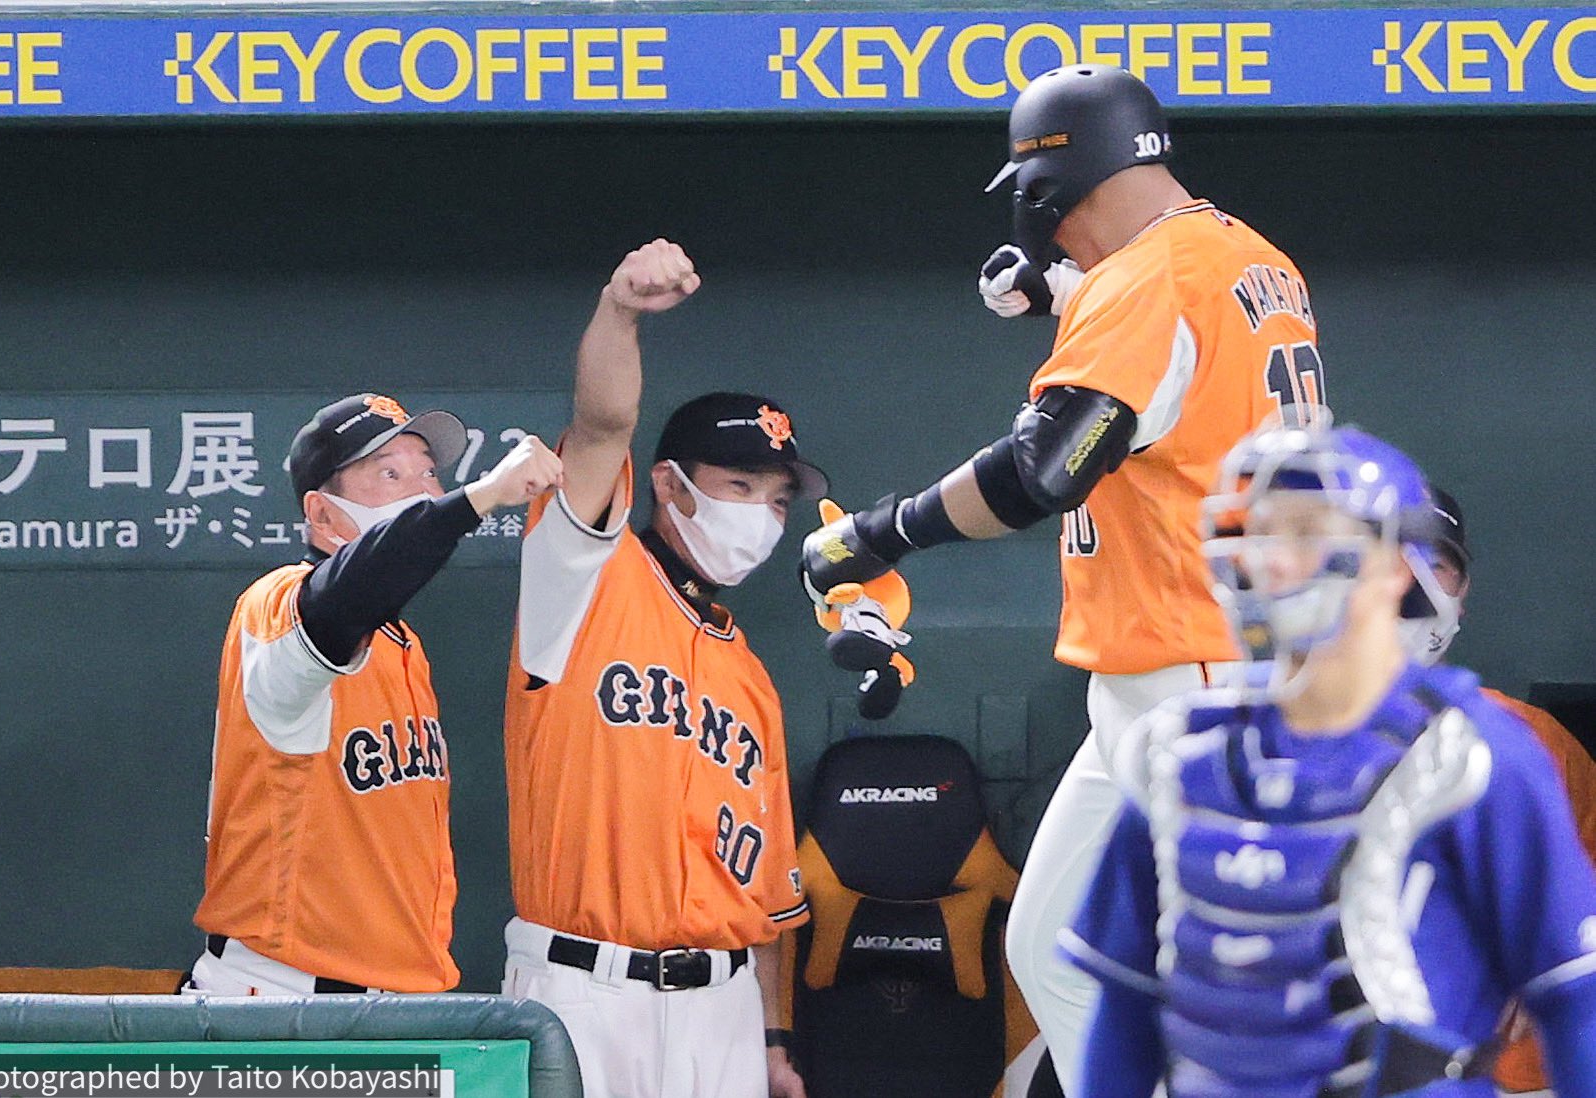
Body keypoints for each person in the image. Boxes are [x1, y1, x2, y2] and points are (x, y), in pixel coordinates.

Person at [798, 62, 1325, 1092]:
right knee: (1055, 951)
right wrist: (1061, 294)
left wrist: (882, 533)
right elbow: (1175, 367)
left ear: (1050, 185)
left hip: (1198, 681)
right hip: (1193, 672)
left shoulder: (1146, 280)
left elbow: (1042, 470)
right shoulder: (1250, 257)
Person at [1058, 420, 1596, 1097]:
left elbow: (1572, 999)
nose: (1275, 561)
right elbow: (1124, 1006)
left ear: (1394, 566)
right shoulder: (1181, 753)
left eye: (1307, 534)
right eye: (1259, 534)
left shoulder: (1475, 758)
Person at [502, 239, 819, 1098]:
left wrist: (772, 1038)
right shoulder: (584, 576)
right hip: (584, 989)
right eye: (740, 486)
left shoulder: (748, 677)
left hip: (722, 1008)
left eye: (778, 498)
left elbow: (765, 897)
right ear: (671, 486)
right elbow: (602, 427)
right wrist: (621, 312)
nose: (763, 514)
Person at [186, 392, 561, 995]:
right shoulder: (277, 604)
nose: (421, 492)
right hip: (282, 995)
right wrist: (481, 496)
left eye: (428, 474)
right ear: (322, 513)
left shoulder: (400, 642)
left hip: (388, 999)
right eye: (389, 474)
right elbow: (347, 594)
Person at [1408, 487, 1596, 1098]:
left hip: (1517, 1077)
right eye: (1388, 560)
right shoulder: (1260, 752)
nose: (1411, 585)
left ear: (1462, 595)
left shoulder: (1530, 743)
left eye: (1436, 565)